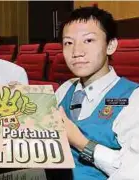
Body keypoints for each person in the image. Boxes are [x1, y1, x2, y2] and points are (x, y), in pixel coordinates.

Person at [56, 6, 139, 180]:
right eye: (68, 43)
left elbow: (132, 170)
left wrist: (81, 143)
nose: (76, 52)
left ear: (110, 45)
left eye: (88, 41)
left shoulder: (133, 98)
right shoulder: (65, 88)